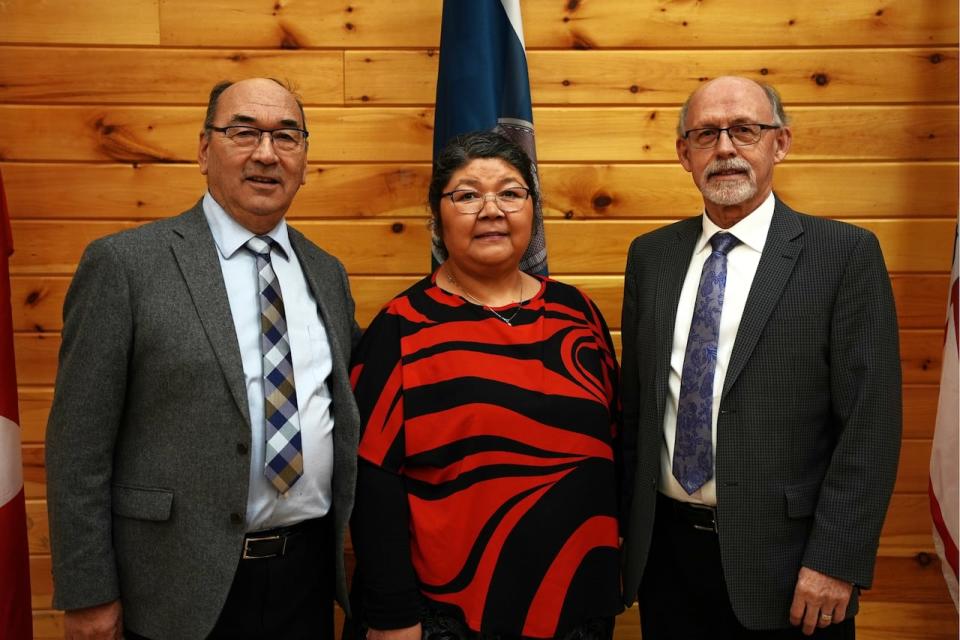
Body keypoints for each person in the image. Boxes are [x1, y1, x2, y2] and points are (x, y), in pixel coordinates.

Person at [45, 78, 360, 640]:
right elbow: (78, 446)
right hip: (173, 586)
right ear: (202, 149)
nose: (266, 152)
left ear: (305, 160)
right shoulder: (127, 266)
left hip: (304, 579)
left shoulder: (327, 273)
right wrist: (89, 592)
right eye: (243, 132)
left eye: (286, 136)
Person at [620, 76, 902, 638]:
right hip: (667, 558)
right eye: (706, 134)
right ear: (684, 153)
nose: (725, 148)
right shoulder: (652, 258)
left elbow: (871, 424)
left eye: (745, 130)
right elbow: (638, 406)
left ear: (780, 143)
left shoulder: (844, 256)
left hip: (792, 567)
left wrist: (835, 560)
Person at [348, 130, 622, 640]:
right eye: (468, 194)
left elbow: (614, 443)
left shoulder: (579, 313)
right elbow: (371, 481)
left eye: (511, 193)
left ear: (533, 212)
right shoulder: (401, 327)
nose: (491, 209)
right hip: (448, 616)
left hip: (577, 607)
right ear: (437, 218)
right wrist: (392, 615)